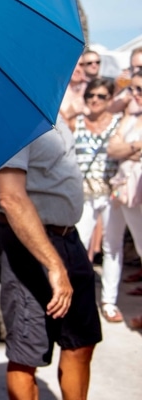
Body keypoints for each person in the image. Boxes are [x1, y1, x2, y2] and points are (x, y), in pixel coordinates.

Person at [0, 116, 102, 400]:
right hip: (29, 243)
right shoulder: (10, 119)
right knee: (27, 350)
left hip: (67, 237)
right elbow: (10, 198)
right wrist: (54, 266)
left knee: (81, 341)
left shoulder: (48, 110)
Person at [101, 70, 142, 323]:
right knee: (111, 244)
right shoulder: (130, 116)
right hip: (120, 189)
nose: (134, 94)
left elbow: (119, 149)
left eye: (140, 90)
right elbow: (112, 149)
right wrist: (135, 148)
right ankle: (108, 301)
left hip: (137, 191)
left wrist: (125, 150)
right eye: (132, 89)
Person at [71, 77, 121, 259]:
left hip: (112, 192)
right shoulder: (76, 123)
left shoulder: (119, 123)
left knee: (112, 246)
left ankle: (109, 282)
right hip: (84, 192)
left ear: (110, 98)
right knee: (79, 242)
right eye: (90, 95)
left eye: (101, 96)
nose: (94, 100)